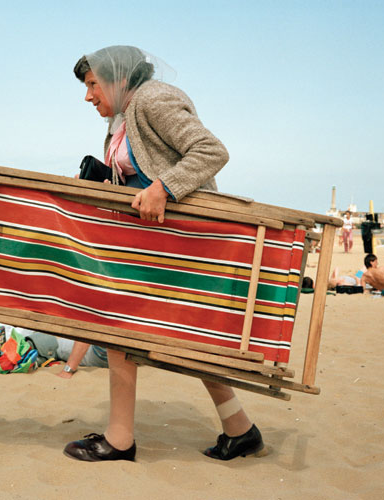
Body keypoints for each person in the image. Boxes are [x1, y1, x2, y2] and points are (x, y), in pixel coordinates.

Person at [63, 46, 263, 463]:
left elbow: (211, 152)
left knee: (118, 325)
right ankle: (240, 430)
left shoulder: (153, 99)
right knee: (186, 334)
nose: (88, 96)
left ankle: (120, 440)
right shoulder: (123, 116)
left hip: (183, 240)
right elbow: (143, 170)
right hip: (158, 242)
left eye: (92, 85)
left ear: (118, 78)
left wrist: (163, 188)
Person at [23, 330, 108, 378]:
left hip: (102, 356)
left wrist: (68, 370)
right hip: (119, 361)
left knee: (57, 345)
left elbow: (87, 333)